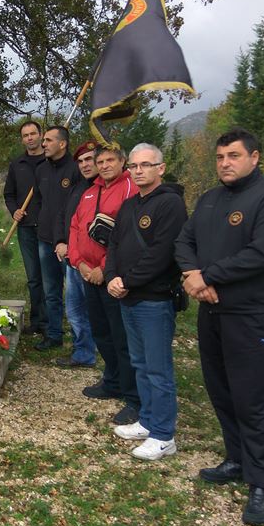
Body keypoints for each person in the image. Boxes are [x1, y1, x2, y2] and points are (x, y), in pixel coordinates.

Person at [174, 128, 264, 526]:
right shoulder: (210, 199)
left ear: (254, 157)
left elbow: (262, 254)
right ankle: (236, 458)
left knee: (255, 397)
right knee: (222, 389)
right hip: (212, 312)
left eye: (233, 156)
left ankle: (261, 481)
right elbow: (184, 242)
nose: (225, 163)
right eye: (220, 157)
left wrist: (207, 277)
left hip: (254, 313)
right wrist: (192, 274)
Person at [106, 143, 187, 460]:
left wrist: (127, 281)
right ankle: (148, 420)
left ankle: (164, 435)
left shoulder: (171, 204)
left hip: (153, 299)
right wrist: (112, 276)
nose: (138, 171)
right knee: (139, 363)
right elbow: (114, 245)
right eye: (134, 166)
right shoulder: (129, 206)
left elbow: (162, 254)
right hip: (127, 297)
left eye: (145, 165)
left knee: (158, 369)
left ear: (160, 168)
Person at [67, 144, 139, 424]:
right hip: (88, 274)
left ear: (122, 161)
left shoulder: (129, 189)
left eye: (111, 160)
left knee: (121, 337)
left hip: (112, 277)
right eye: (101, 161)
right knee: (101, 332)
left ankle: (132, 395)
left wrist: (103, 268)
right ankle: (112, 380)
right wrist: (79, 262)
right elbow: (75, 226)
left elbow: (127, 235)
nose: (105, 165)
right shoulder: (90, 191)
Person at [33, 125, 81, 351]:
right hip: (45, 239)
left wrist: (69, 239)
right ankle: (54, 335)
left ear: (62, 144)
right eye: (44, 140)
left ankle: (81, 340)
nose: (43, 144)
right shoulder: (41, 169)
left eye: (48, 140)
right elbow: (40, 200)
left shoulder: (76, 169)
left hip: (69, 241)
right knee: (51, 291)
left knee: (74, 294)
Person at [52, 140, 99, 368]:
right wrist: (61, 241)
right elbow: (64, 216)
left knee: (94, 311)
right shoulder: (77, 188)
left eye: (89, 159)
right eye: (80, 161)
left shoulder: (106, 189)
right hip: (73, 260)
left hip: (96, 264)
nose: (85, 165)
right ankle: (83, 352)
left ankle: (103, 352)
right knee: (75, 310)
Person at [2, 120, 47, 336]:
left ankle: (51, 322)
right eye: (25, 135)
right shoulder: (17, 164)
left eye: (33, 134)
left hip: (48, 229)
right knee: (33, 277)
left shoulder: (51, 161)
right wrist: (15, 211)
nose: (29, 138)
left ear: (41, 135)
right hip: (26, 228)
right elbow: (9, 194)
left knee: (49, 277)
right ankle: (37, 321)